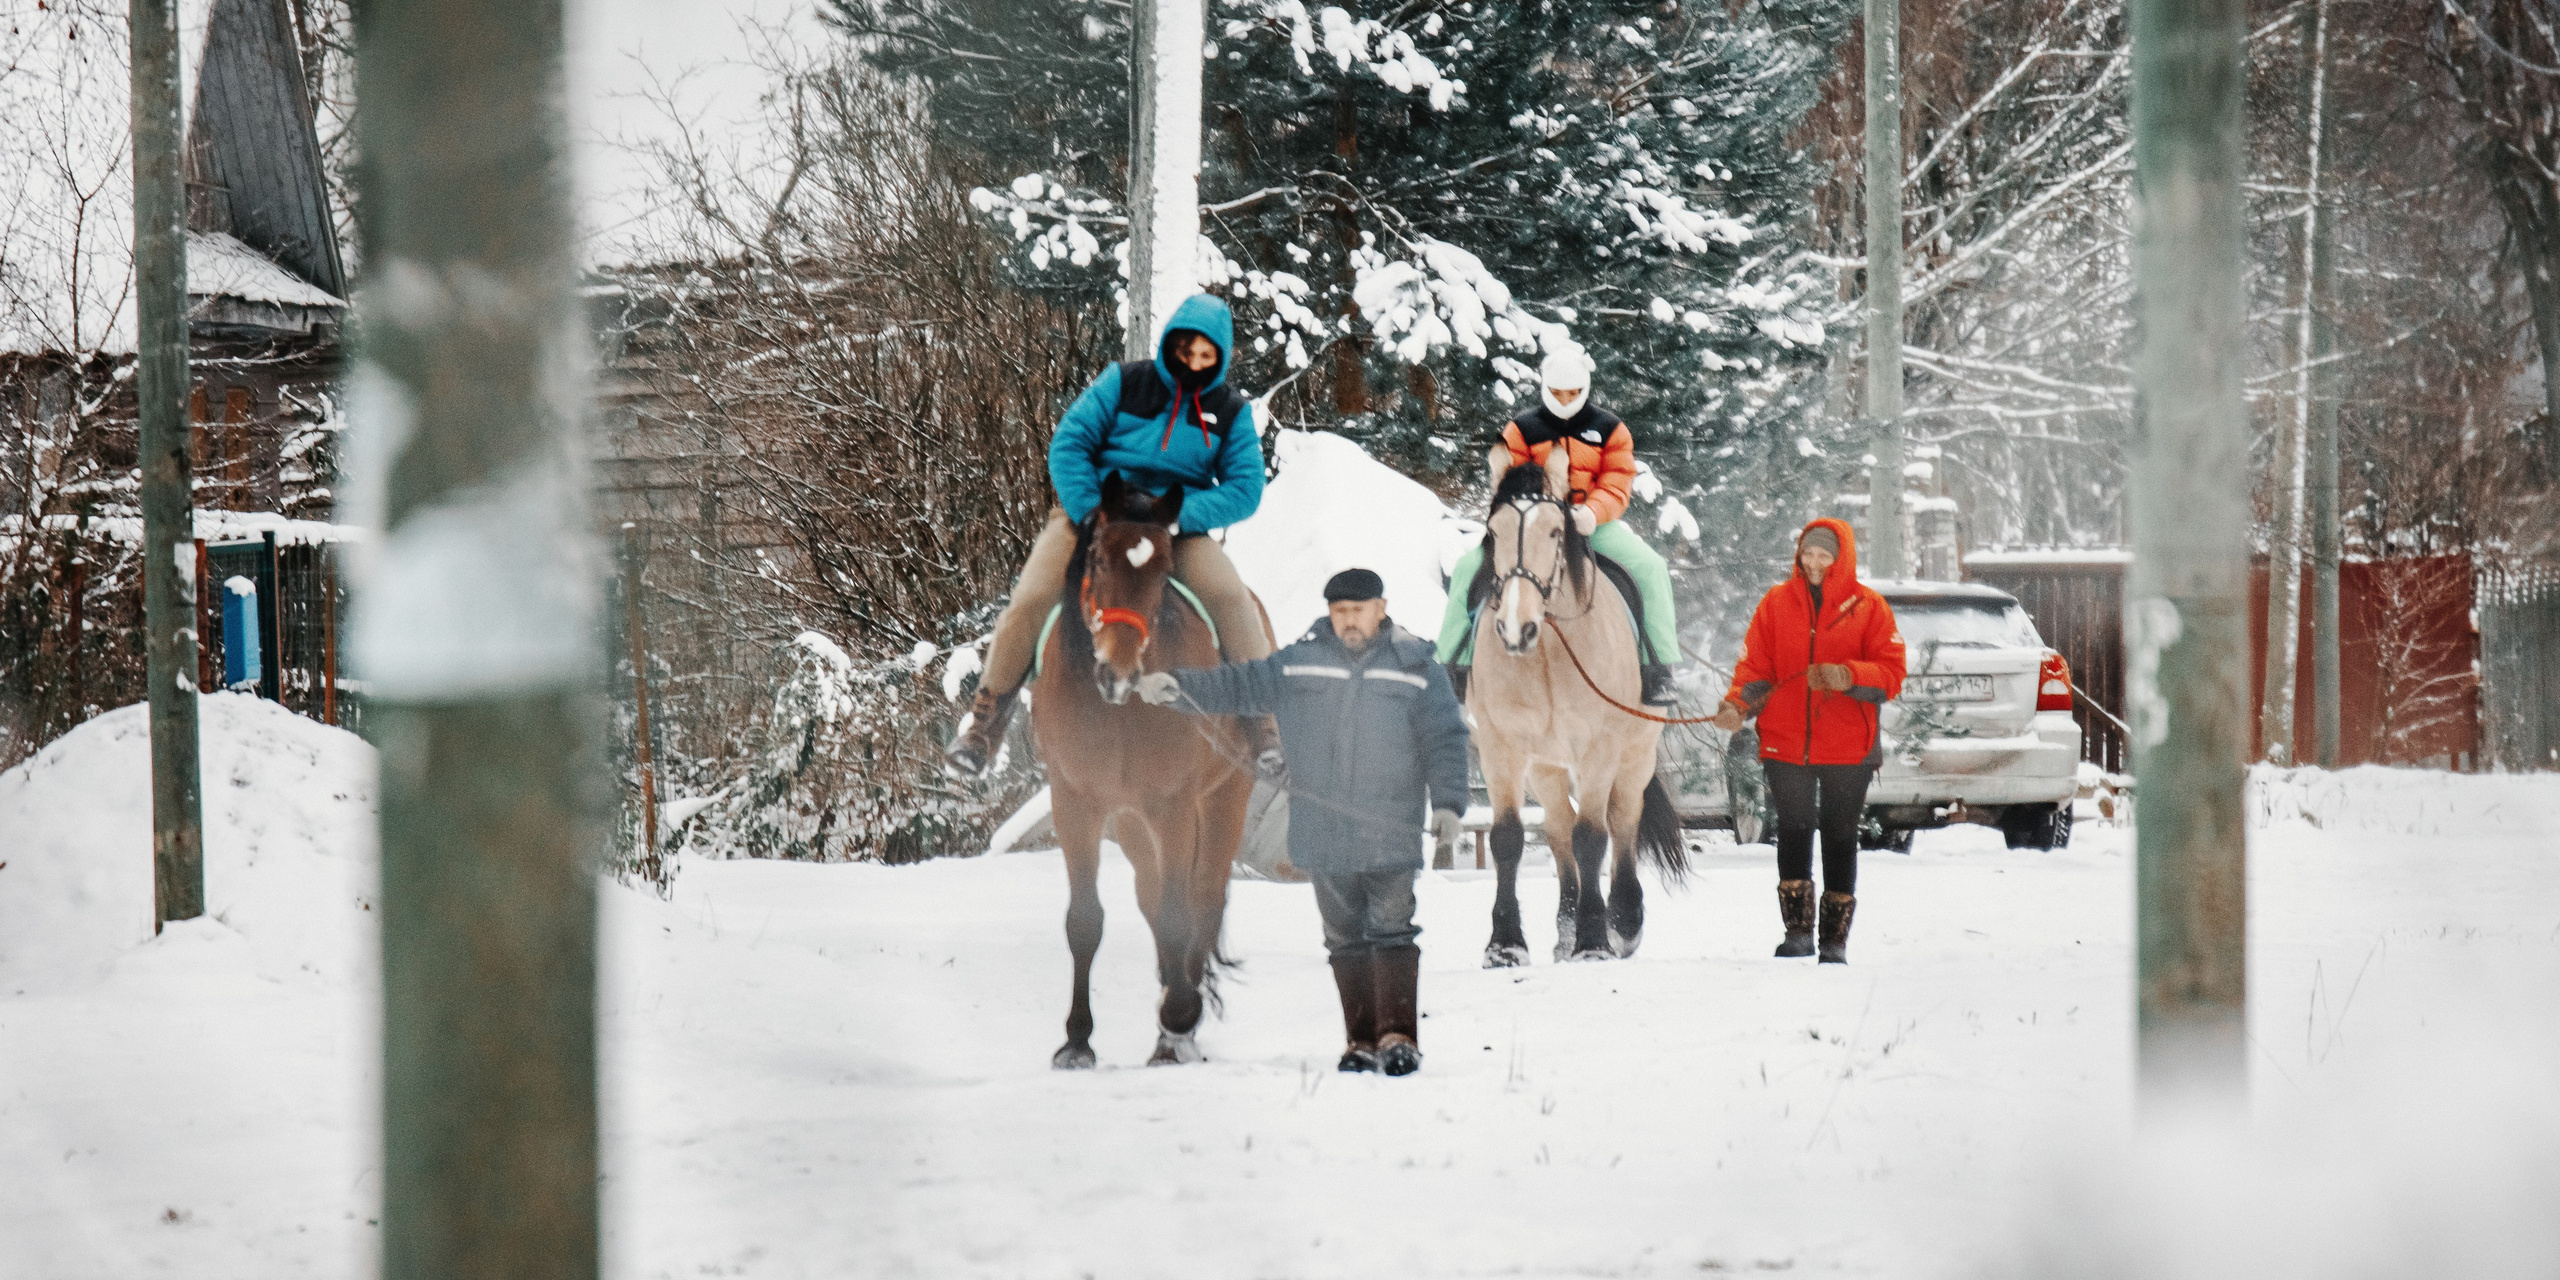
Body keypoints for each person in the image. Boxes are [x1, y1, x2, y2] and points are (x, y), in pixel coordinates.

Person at [1134, 569, 1470, 1077]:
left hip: (1390, 827)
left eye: (1358, 610)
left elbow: (1446, 738)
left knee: (1393, 931)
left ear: (1381, 607)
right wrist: (1179, 688)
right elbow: (1240, 683)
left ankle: (1399, 1035)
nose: (1348, 620)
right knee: (1343, 939)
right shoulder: (1301, 663)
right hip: (1323, 830)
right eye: (1339, 612)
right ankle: (1359, 1040)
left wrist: (1448, 804)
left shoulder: (1417, 665)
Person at [946, 293, 1279, 776]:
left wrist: (1182, 516)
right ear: (1171, 344)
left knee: (1230, 597)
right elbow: (1069, 444)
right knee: (1033, 596)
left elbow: (1246, 488)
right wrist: (1092, 513)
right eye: (1187, 350)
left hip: (1174, 526)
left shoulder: (1229, 412)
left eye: (1206, 356)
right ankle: (984, 727)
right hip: (1100, 517)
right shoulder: (1125, 382)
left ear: (1220, 359)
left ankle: (1262, 728)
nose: (1193, 362)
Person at [1434, 349, 1683, 706]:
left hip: (1592, 524)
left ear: (1585, 389)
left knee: (1651, 567)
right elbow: (1511, 477)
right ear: (1545, 389)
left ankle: (1656, 668)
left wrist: (1593, 512)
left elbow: (1617, 479)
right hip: (1533, 523)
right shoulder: (1522, 428)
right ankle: (1455, 664)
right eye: (1557, 393)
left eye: (1572, 393)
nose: (1565, 400)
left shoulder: (1610, 428)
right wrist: (1534, 508)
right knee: (1467, 567)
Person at [1710, 518, 1906, 964]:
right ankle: (1797, 932)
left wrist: (1847, 675)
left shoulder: (1869, 607)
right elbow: (1755, 669)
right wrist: (1737, 704)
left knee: (1839, 835)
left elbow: (1892, 673)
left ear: (1841, 560)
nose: (1814, 563)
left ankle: (1834, 940)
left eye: (1824, 556)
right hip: (1786, 740)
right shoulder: (1777, 603)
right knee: (1794, 830)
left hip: (1848, 745)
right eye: (1808, 554)